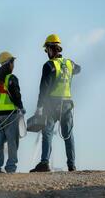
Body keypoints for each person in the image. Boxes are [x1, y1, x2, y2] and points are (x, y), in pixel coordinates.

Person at [30, 34, 81, 172]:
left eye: (47, 50)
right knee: (68, 135)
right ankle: (72, 165)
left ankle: (44, 163)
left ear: (51, 49)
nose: (47, 53)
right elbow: (79, 69)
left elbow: (43, 88)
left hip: (51, 106)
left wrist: (39, 107)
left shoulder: (49, 65)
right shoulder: (70, 64)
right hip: (67, 106)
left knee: (47, 133)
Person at [0, 51, 25, 174]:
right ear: (8, 63)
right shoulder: (11, 78)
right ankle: (10, 167)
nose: (13, 65)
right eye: (12, 62)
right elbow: (16, 95)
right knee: (12, 142)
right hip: (10, 115)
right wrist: (21, 107)